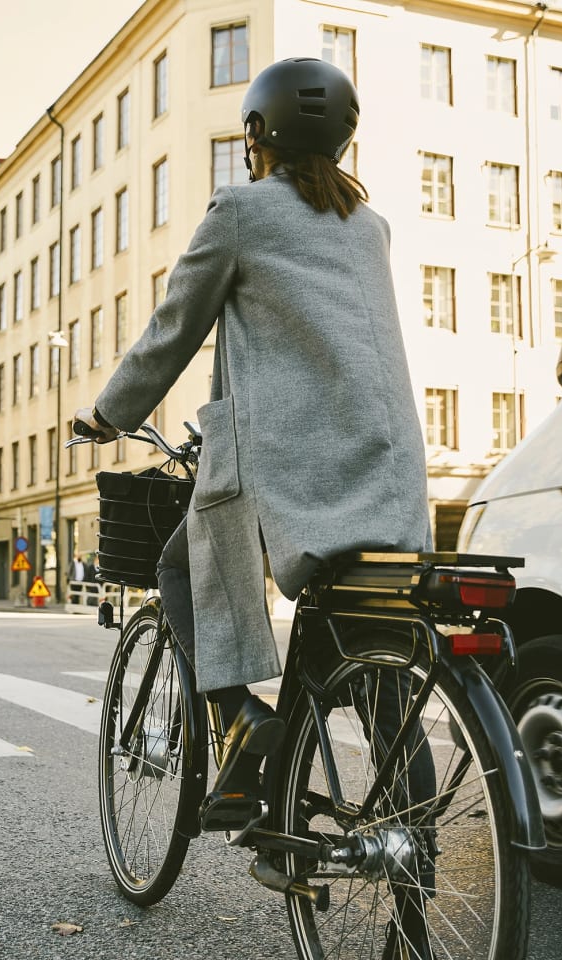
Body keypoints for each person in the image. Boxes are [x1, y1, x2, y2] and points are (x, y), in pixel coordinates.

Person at [72, 58, 430, 825]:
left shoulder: (240, 210)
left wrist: (107, 414)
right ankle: (412, 853)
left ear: (258, 133)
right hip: (389, 471)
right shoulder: (370, 227)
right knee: (374, 656)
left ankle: (240, 716)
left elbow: (173, 328)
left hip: (288, 469)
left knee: (179, 567)